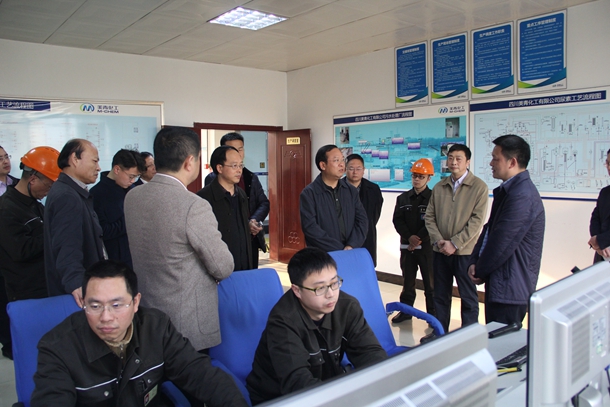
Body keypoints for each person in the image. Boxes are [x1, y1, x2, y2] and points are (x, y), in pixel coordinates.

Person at [31, 259, 248, 407]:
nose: (106, 317)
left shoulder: (156, 328)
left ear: (136, 302)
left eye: (117, 305)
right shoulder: (57, 348)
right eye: (94, 306)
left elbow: (199, 374)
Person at [125, 127, 234, 351]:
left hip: (146, 316)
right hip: (187, 324)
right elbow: (223, 266)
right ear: (189, 161)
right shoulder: (193, 205)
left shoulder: (132, 197)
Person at [246, 247, 387, 405]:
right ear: (297, 291)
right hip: (279, 397)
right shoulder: (283, 321)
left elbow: (370, 352)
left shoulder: (347, 307)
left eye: (334, 283)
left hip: (326, 386)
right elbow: (297, 381)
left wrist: (382, 380)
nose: (331, 294)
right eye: (320, 288)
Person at [468, 135, 545, 326]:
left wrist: (480, 269)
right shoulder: (509, 191)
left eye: (496, 159)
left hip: (510, 288)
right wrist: (475, 260)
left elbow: (502, 242)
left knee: (501, 340)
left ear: (512, 162)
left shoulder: (522, 196)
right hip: (501, 282)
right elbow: (490, 230)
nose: (491, 163)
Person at [424, 144, 488, 340]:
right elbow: (429, 217)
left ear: (467, 162)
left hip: (465, 253)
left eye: (458, 158)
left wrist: (455, 243)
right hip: (440, 251)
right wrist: (439, 241)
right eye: (450, 158)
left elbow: (477, 221)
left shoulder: (479, 187)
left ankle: (468, 336)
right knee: (440, 295)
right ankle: (439, 333)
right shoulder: (439, 186)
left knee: (468, 296)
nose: (453, 162)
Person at [44, 139, 104, 307]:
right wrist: (76, 282)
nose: (98, 168)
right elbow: (67, 245)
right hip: (78, 296)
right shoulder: (67, 196)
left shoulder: (73, 192)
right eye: (94, 161)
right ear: (74, 159)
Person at [0, 146, 60, 301]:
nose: (49, 191)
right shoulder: (6, 209)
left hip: (46, 286)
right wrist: (54, 233)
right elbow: (21, 250)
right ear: (33, 180)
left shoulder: (34, 204)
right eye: (48, 186)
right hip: (26, 293)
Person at [205, 133, 269, 268]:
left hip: (247, 240)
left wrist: (253, 221)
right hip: (223, 245)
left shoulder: (248, 180)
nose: (237, 153)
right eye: (232, 149)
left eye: (240, 149)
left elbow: (263, 203)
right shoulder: (209, 187)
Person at [391, 158, 436, 323]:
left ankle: (433, 315)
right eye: (414, 176)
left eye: (421, 177)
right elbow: (397, 220)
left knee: (430, 284)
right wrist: (409, 237)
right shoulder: (403, 198)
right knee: (407, 282)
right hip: (407, 247)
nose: (417, 179)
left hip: (426, 249)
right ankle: (406, 312)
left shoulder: (434, 198)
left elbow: (433, 221)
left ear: (429, 178)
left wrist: (418, 239)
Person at [300, 145, 368, 251]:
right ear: (323, 165)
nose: (342, 164)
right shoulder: (309, 193)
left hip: (350, 251)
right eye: (336, 160)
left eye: (342, 159)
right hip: (323, 255)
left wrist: (351, 245)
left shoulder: (350, 191)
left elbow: (362, 221)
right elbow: (310, 228)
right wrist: (339, 249)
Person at [198, 146, 252, 271]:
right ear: (219, 168)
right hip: (219, 269)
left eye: (241, 165)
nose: (239, 170)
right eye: (234, 166)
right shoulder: (203, 198)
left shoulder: (241, 194)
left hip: (243, 266)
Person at [90, 149, 145, 268]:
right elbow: (102, 231)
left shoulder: (133, 189)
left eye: (136, 177)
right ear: (117, 169)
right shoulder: (96, 194)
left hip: (138, 256)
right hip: (115, 261)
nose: (132, 181)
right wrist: (131, 219)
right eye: (131, 176)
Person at [343, 154, 383, 265]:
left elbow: (375, 215)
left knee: (365, 267)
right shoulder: (337, 188)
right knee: (344, 268)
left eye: (358, 168)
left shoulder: (373, 189)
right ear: (345, 169)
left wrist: (363, 227)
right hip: (343, 239)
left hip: (366, 236)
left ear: (364, 170)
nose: (355, 172)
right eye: (351, 168)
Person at [0, 145, 19, 359]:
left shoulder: (17, 184)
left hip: (16, 250)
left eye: (6, 157)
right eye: (0, 158)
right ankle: (7, 343)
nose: (5, 161)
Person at [589, 148, 610, 263]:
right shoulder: (605, 192)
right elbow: (595, 218)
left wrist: (601, 241)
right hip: (601, 255)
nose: (609, 167)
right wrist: (597, 242)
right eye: (608, 163)